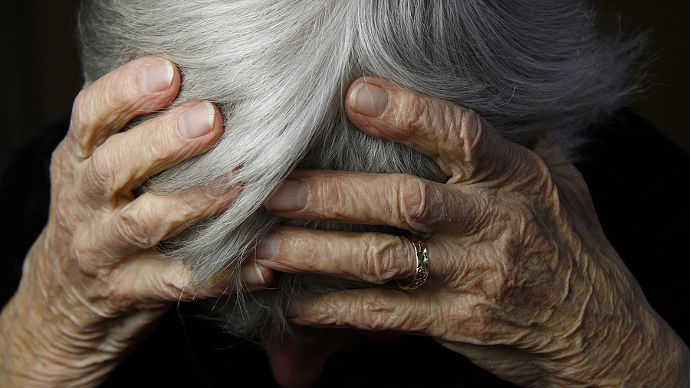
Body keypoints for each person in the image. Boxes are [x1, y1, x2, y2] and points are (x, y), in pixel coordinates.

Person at [1, 1, 689, 387]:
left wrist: (631, 371)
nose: (290, 375)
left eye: (362, 317)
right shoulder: (57, 224)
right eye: (217, 300)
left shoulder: (653, 226)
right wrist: (37, 354)